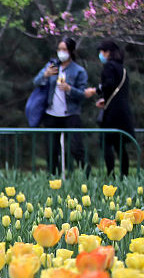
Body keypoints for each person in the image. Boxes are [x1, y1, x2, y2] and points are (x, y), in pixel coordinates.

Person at [33, 37, 88, 175]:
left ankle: (86, 177)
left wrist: (69, 89)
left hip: (70, 114)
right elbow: (36, 81)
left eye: (64, 49)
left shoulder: (79, 71)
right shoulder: (51, 65)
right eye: (59, 49)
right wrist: (45, 75)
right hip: (51, 114)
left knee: (76, 148)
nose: (61, 52)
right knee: (51, 150)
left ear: (71, 51)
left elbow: (83, 94)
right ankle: (53, 179)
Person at [86, 39, 135, 176]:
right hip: (123, 111)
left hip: (112, 113)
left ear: (108, 52)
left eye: (102, 52)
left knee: (106, 142)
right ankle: (124, 175)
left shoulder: (109, 67)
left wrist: (95, 90)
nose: (101, 55)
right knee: (120, 146)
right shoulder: (122, 68)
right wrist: (106, 100)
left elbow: (108, 84)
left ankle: (111, 174)